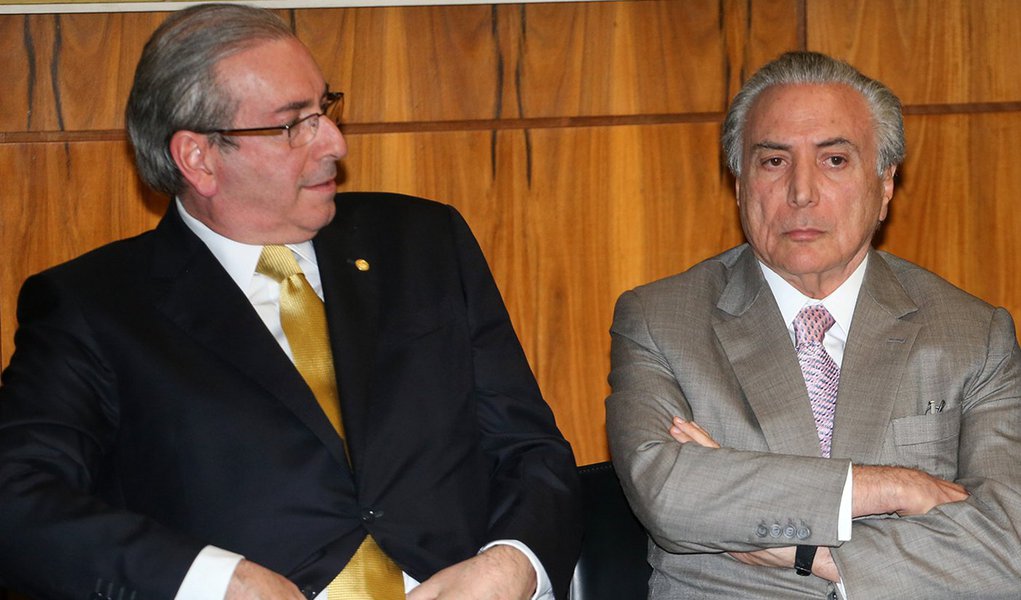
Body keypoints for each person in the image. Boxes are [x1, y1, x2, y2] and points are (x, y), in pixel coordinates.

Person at [0, 4, 581, 599]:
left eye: (324, 108)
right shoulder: (93, 306)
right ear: (198, 157)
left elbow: (529, 447)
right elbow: (17, 499)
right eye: (291, 123)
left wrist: (511, 566)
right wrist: (215, 582)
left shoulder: (424, 241)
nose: (334, 141)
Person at [606, 51, 1021, 599]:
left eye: (834, 160)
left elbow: (1008, 548)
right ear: (739, 184)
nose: (801, 192)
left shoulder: (974, 335)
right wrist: (892, 485)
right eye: (774, 161)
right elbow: (667, 493)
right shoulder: (659, 321)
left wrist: (813, 554)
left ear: (886, 184)